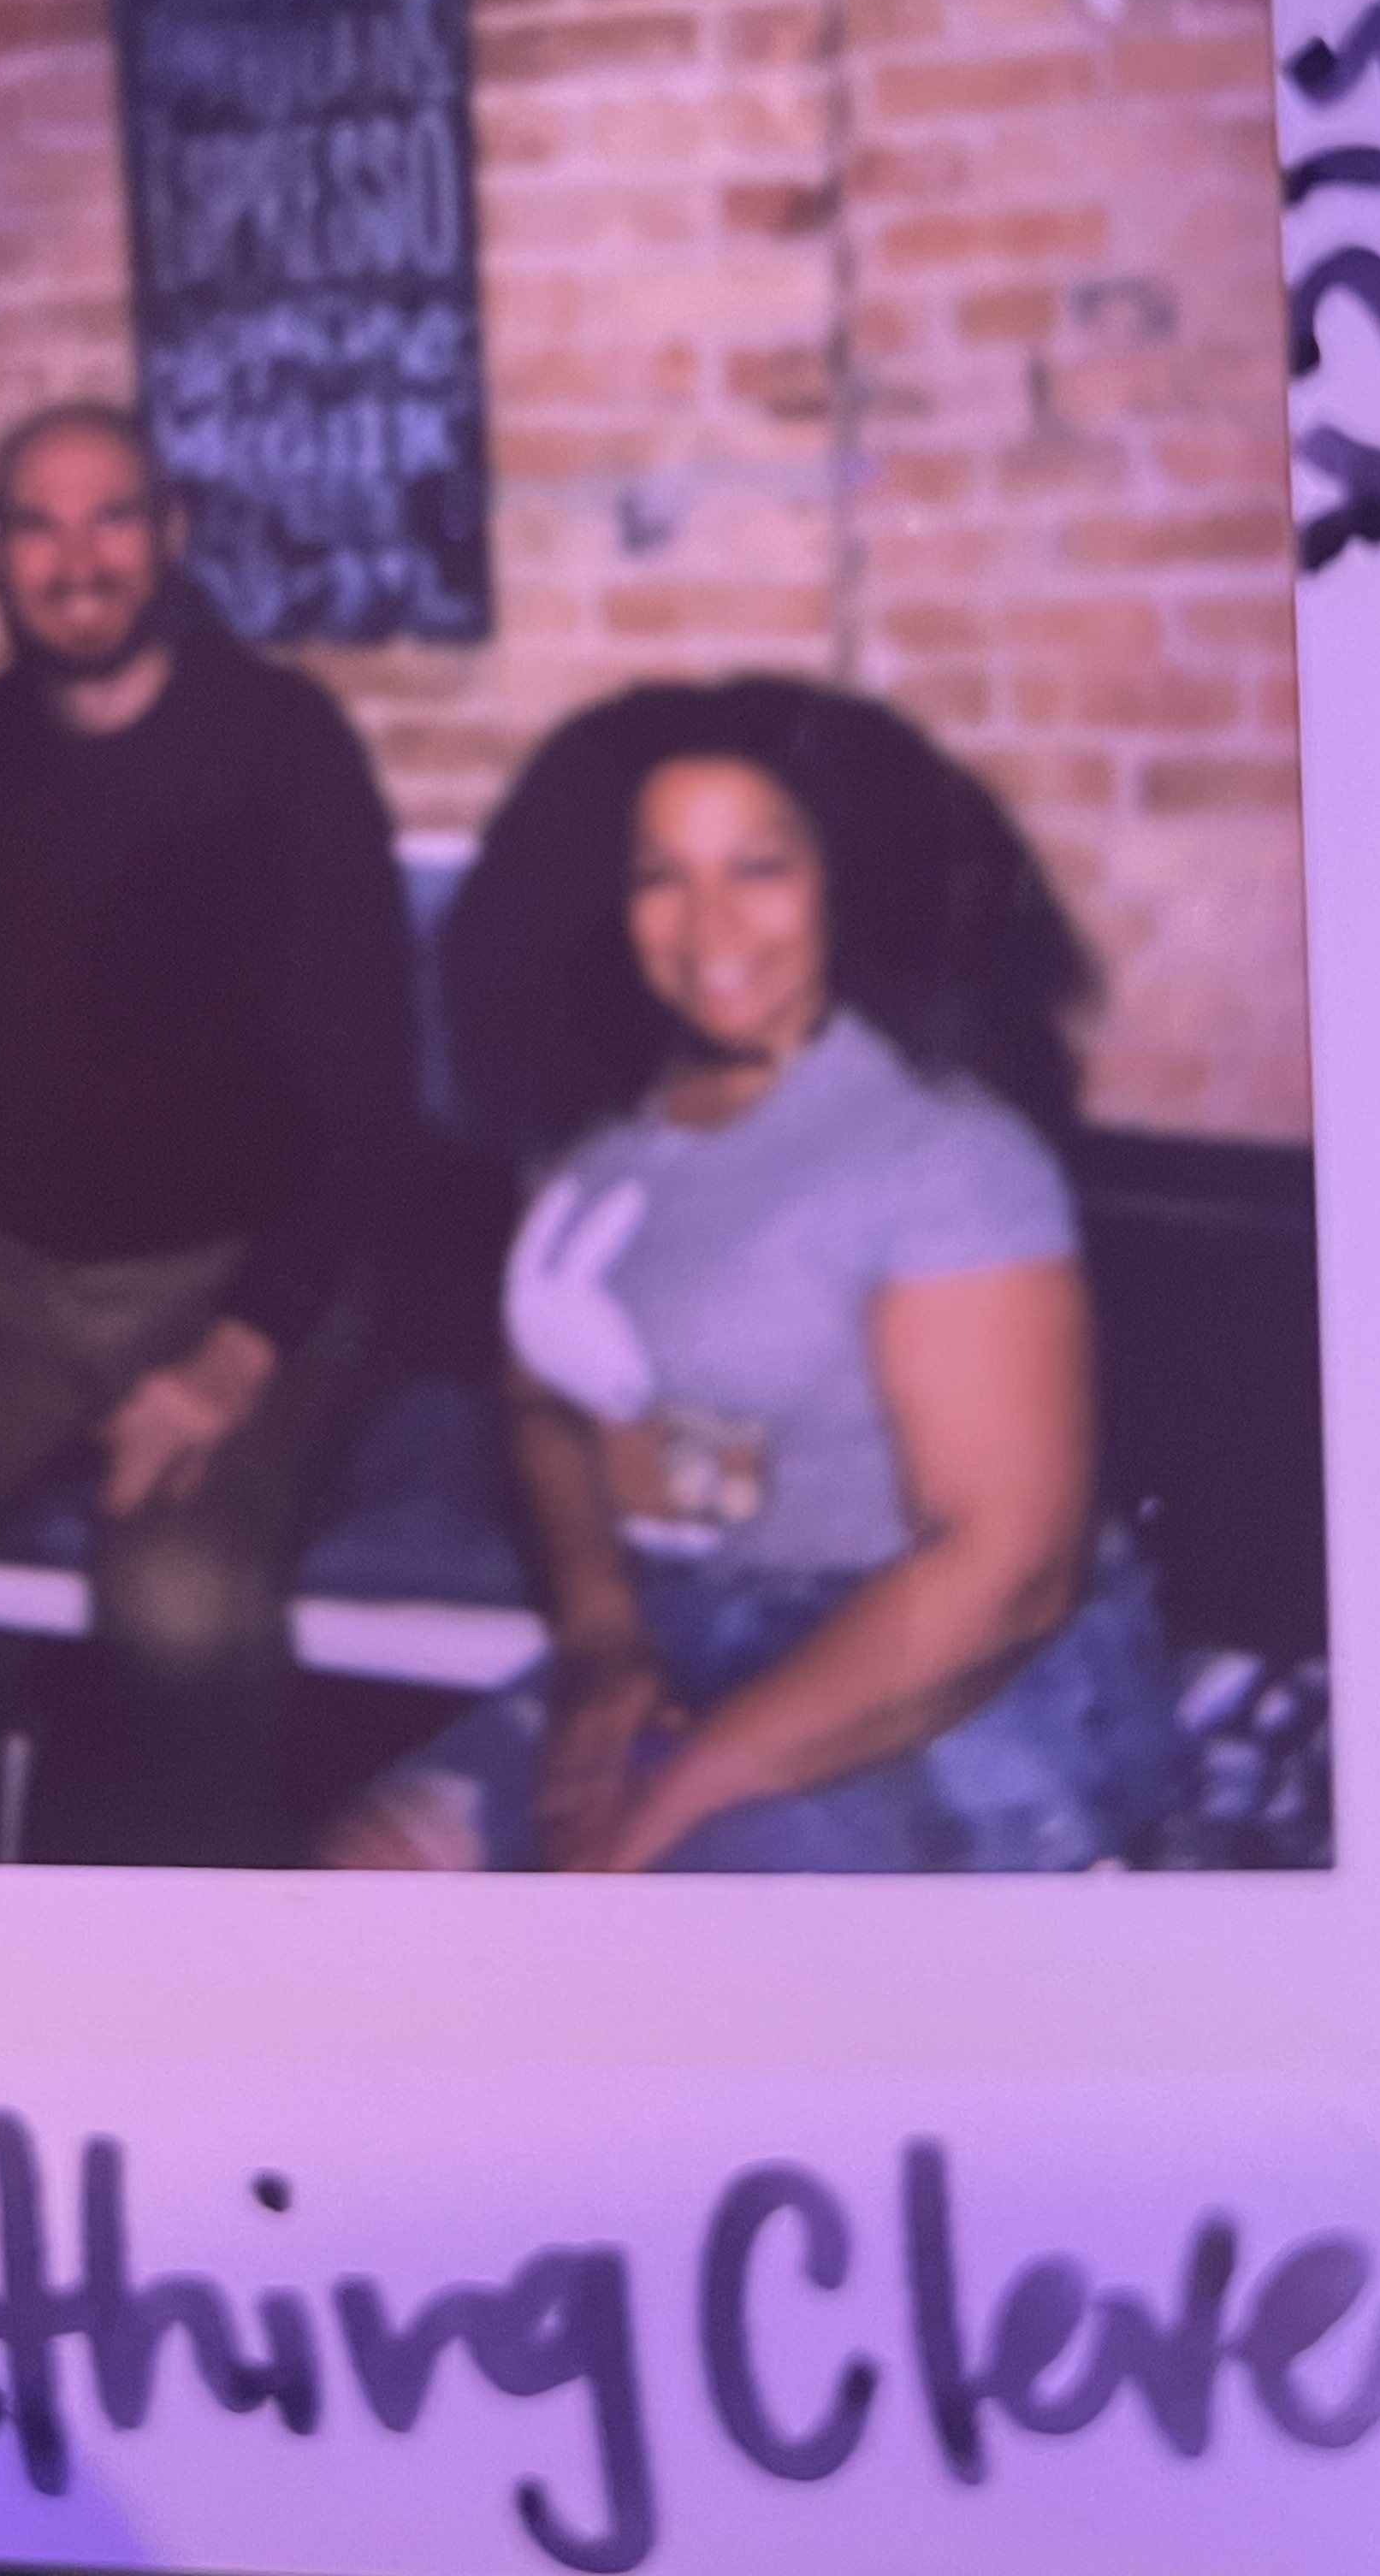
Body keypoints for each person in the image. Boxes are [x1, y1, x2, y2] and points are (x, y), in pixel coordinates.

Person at [325, 676, 1178, 1875]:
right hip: (689, 1634)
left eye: (758, 868)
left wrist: (679, 1791)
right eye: (660, 875)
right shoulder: (598, 1135)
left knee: (673, 1929)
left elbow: (1010, 1571)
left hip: (946, 1673)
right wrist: (602, 1629)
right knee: (364, 1871)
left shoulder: (943, 1150)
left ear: (844, 878)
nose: (707, 925)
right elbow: (545, 1404)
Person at [0, 401, 416, 1863]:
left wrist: (238, 1355)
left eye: (112, 517)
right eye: (39, 527)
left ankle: (227, 1890)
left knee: (179, 1605)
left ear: (171, 533)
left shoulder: (284, 747)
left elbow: (371, 1099)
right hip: (8, 1288)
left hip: (244, 1280)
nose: (79, 560)